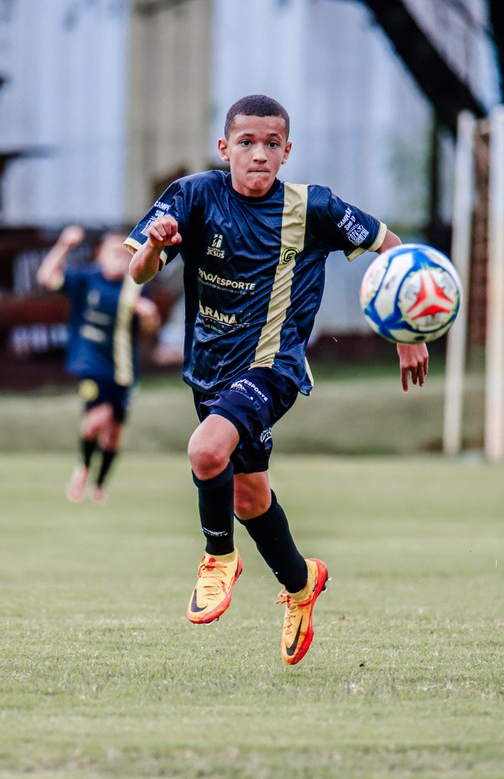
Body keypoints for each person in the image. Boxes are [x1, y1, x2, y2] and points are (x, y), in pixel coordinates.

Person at [125, 94, 429, 665]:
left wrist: (408, 329)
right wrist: (156, 246)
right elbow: (138, 272)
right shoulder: (192, 196)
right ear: (225, 148)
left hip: (273, 368)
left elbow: (393, 248)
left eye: (271, 144)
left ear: (287, 151)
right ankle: (300, 582)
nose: (259, 154)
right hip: (208, 374)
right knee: (248, 497)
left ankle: (218, 558)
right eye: (246, 143)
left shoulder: (313, 208)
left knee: (206, 451)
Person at [36, 224, 160, 503]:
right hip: (89, 363)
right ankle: (82, 468)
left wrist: (149, 315)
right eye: (113, 252)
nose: (118, 259)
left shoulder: (136, 285)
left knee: (113, 433)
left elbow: (151, 327)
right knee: (96, 420)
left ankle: (100, 484)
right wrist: (64, 245)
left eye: (124, 254)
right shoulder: (86, 278)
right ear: (99, 254)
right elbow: (46, 277)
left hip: (123, 368)